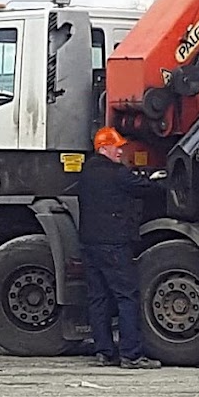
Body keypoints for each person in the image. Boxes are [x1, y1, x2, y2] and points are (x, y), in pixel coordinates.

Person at [76, 126, 167, 369]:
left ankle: (104, 352)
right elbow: (145, 188)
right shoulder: (118, 174)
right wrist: (162, 180)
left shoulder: (86, 172)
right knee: (127, 296)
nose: (121, 151)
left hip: (89, 243)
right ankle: (131, 355)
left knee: (98, 298)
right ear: (104, 148)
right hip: (114, 244)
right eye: (117, 147)